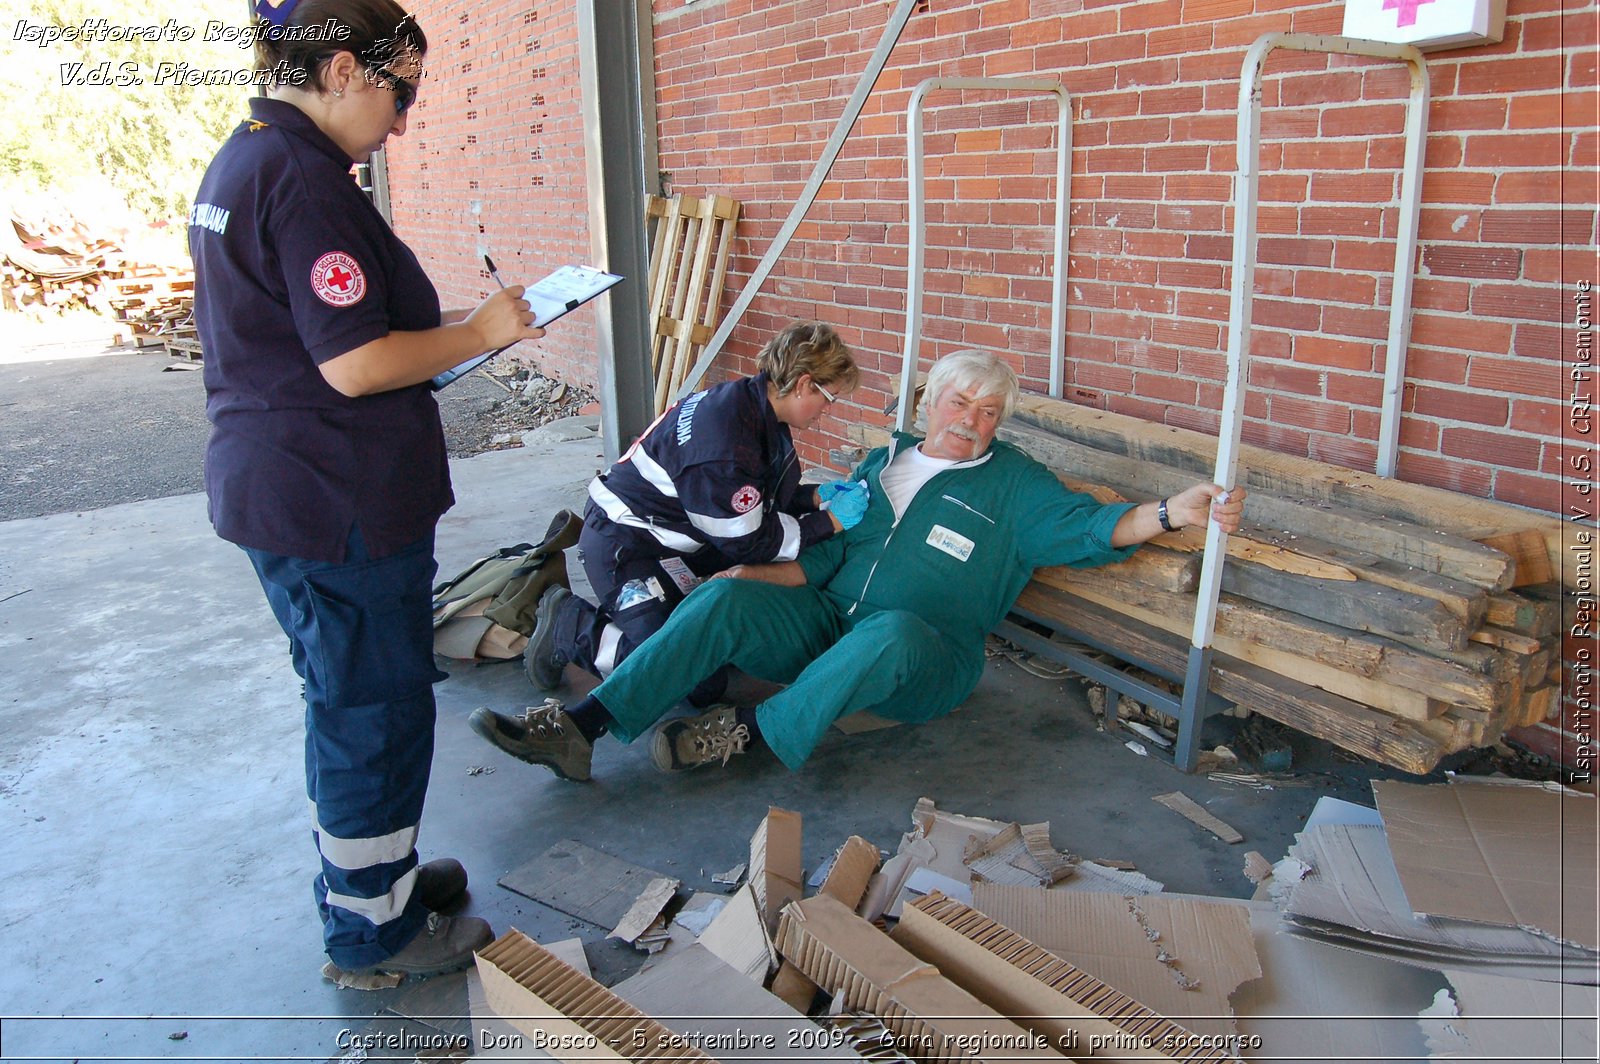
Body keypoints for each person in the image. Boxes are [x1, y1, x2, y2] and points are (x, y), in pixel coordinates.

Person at [189, 0, 544, 979]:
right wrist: (478, 334)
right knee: (367, 706)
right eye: (402, 91)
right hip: (330, 497)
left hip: (299, 486)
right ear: (343, 68)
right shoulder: (301, 181)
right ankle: (371, 930)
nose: (403, 118)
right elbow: (354, 362)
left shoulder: (249, 155)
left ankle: (376, 880)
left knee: (355, 695)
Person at [469, 349, 1246, 780]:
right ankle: (582, 727)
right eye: (959, 403)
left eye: (988, 413)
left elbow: (1093, 527)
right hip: (829, 621)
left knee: (895, 629)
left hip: (922, 655)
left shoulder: (1015, 486)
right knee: (719, 602)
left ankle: (746, 735)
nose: (971, 423)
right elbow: (815, 560)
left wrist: (1175, 512)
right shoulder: (882, 467)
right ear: (928, 402)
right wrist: (739, 581)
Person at [468, 321, 865, 772]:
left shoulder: (750, 407)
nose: (825, 413)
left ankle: (604, 675)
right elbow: (750, 541)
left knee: (705, 670)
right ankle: (570, 624)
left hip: (677, 543)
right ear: (803, 384)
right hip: (626, 544)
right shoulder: (724, 442)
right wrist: (827, 522)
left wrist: (814, 496)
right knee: (685, 676)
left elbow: (758, 496)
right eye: (828, 399)